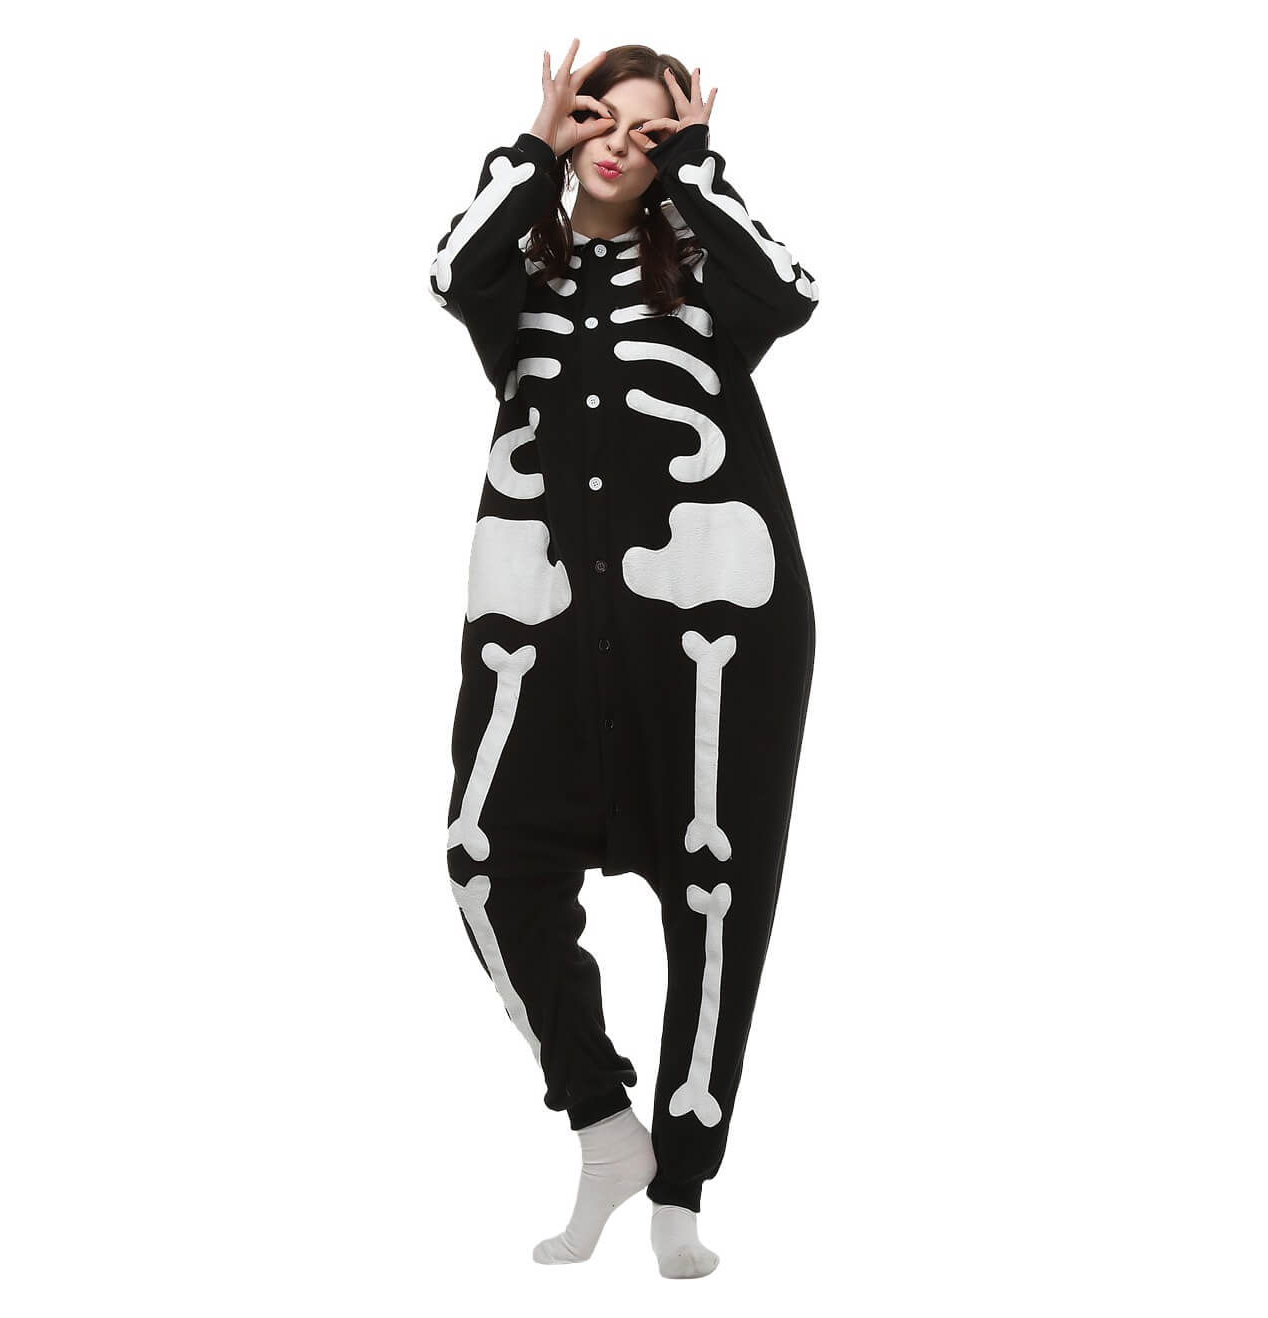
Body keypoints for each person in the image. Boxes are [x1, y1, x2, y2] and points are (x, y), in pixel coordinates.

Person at [429, 39, 820, 1279]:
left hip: (714, 625)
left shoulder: (704, 279)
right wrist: (528, 149)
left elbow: (790, 294)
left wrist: (698, 168)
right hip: (541, 626)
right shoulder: (516, 282)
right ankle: (604, 1125)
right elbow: (447, 269)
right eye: (602, 118)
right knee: (484, 859)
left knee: (716, 891)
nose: (620, 146)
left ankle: (683, 1189)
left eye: (651, 134)